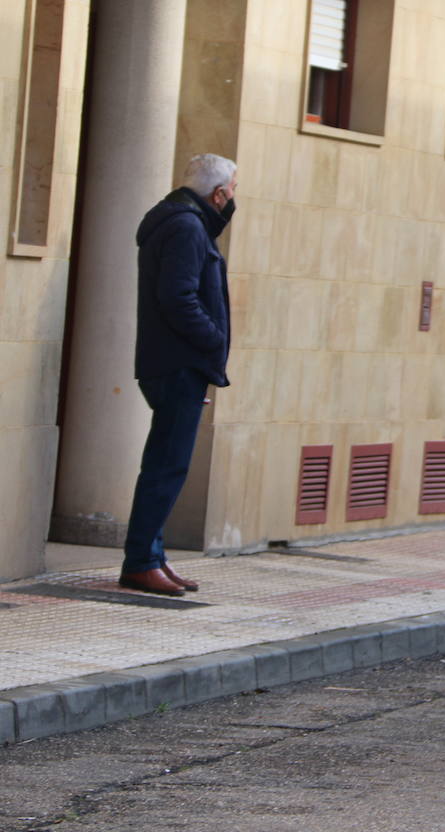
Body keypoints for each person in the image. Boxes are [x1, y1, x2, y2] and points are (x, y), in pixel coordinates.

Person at [119, 154, 237, 597]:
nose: (233, 199)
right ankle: (142, 562)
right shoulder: (187, 226)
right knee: (166, 467)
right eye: (233, 191)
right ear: (219, 193)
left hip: (176, 363)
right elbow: (179, 298)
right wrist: (212, 342)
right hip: (177, 363)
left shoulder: (181, 221)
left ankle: (152, 557)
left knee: (166, 465)